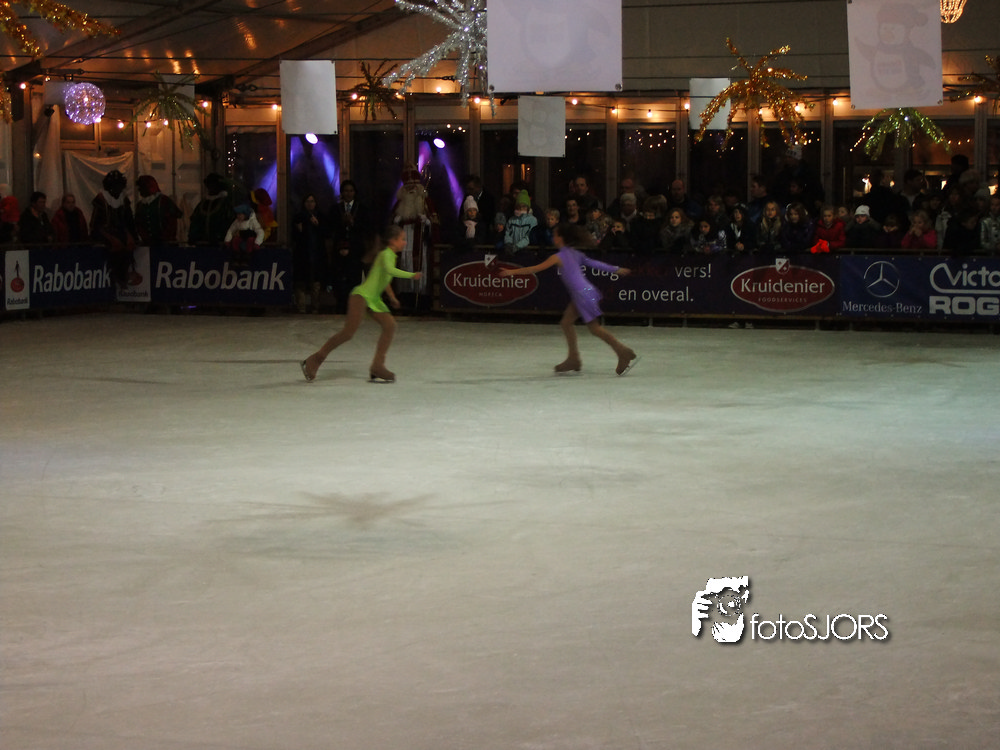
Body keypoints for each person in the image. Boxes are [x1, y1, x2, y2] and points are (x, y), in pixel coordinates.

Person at [499, 222, 637, 376]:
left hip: (582, 295)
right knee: (566, 323)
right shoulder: (575, 253)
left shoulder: (558, 257)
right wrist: (615, 269)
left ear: (561, 238)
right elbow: (595, 264)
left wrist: (512, 272)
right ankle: (573, 358)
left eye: (555, 234)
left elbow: (534, 269)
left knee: (594, 328)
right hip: (585, 292)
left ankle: (622, 351)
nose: (553, 237)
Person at [300, 225, 422, 383]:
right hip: (361, 296)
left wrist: (392, 297)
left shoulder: (390, 256)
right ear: (393, 241)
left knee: (390, 325)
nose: (405, 242)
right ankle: (315, 360)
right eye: (402, 239)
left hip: (373, 300)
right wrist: (412, 275)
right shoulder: (385, 254)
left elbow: (385, 279)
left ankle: (377, 365)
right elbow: (390, 271)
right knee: (348, 333)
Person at [90, 170, 137, 288]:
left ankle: (124, 274)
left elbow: (129, 219)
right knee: (117, 245)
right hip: (104, 231)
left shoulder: (123, 199)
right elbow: (95, 223)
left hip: (120, 230)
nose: (118, 189)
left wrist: (132, 235)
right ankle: (116, 276)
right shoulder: (101, 199)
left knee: (129, 244)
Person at [331, 179, 372, 313]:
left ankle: (353, 306)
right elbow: (331, 229)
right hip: (339, 249)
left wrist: (353, 223)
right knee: (339, 279)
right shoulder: (336, 209)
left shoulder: (362, 209)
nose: (348, 193)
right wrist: (342, 222)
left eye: (351, 191)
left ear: (355, 193)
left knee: (354, 279)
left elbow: (367, 228)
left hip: (356, 250)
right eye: (346, 191)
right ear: (342, 193)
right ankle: (341, 306)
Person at [292, 194, 328, 313]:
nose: (310, 203)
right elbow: (294, 236)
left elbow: (326, 233)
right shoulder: (299, 217)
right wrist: (299, 230)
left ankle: (315, 307)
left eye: (312, 201)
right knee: (300, 281)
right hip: (302, 253)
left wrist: (317, 225)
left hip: (317, 253)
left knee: (316, 281)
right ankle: (301, 307)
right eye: (307, 201)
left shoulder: (320, 216)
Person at [134, 175, 182, 246]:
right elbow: (138, 224)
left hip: (166, 245)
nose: (140, 190)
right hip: (148, 245)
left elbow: (172, 223)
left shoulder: (164, 201)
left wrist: (164, 238)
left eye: (142, 187)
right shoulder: (140, 205)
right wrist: (146, 238)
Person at [188, 173, 235, 245]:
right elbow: (195, 221)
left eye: (214, 184)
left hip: (219, 244)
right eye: (209, 184)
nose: (211, 187)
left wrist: (220, 236)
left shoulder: (226, 204)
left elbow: (230, 222)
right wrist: (193, 235)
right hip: (201, 243)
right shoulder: (202, 204)